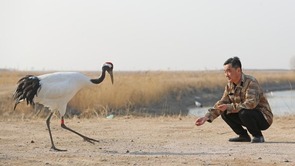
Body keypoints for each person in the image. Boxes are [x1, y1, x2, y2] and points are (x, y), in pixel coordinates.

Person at [195, 57, 273, 143]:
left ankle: (258, 136)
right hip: (246, 115)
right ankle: (243, 136)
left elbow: (251, 104)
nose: (226, 74)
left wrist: (229, 107)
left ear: (238, 70)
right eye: (224, 72)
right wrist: (206, 117)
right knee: (224, 112)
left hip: (263, 118)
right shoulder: (229, 85)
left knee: (243, 112)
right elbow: (222, 103)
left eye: (229, 71)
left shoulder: (251, 82)